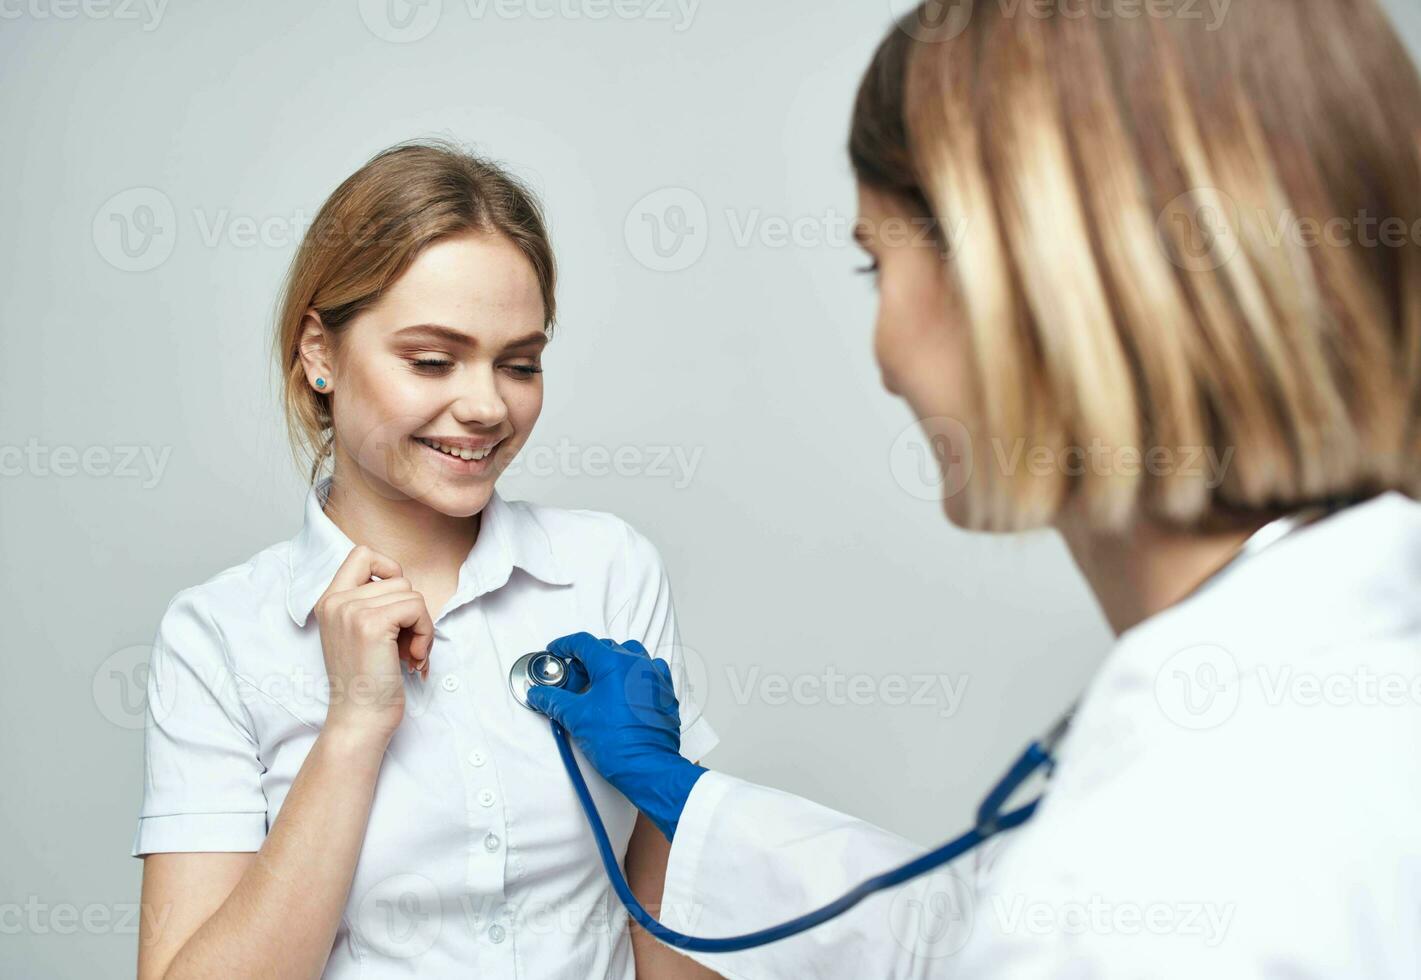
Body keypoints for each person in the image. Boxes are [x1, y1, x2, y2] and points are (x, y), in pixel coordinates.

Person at [528, 1, 1421, 975]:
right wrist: (682, 797)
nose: (882, 358)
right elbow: (964, 925)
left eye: (876, 263)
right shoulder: (1314, 713)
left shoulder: (1142, 870)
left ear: (1029, 274)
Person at [130, 140, 721, 980]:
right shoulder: (218, 637)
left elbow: (666, 923)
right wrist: (354, 726)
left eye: (519, 364)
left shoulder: (606, 570)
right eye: (433, 360)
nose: (486, 406)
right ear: (319, 352)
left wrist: (667, 781)